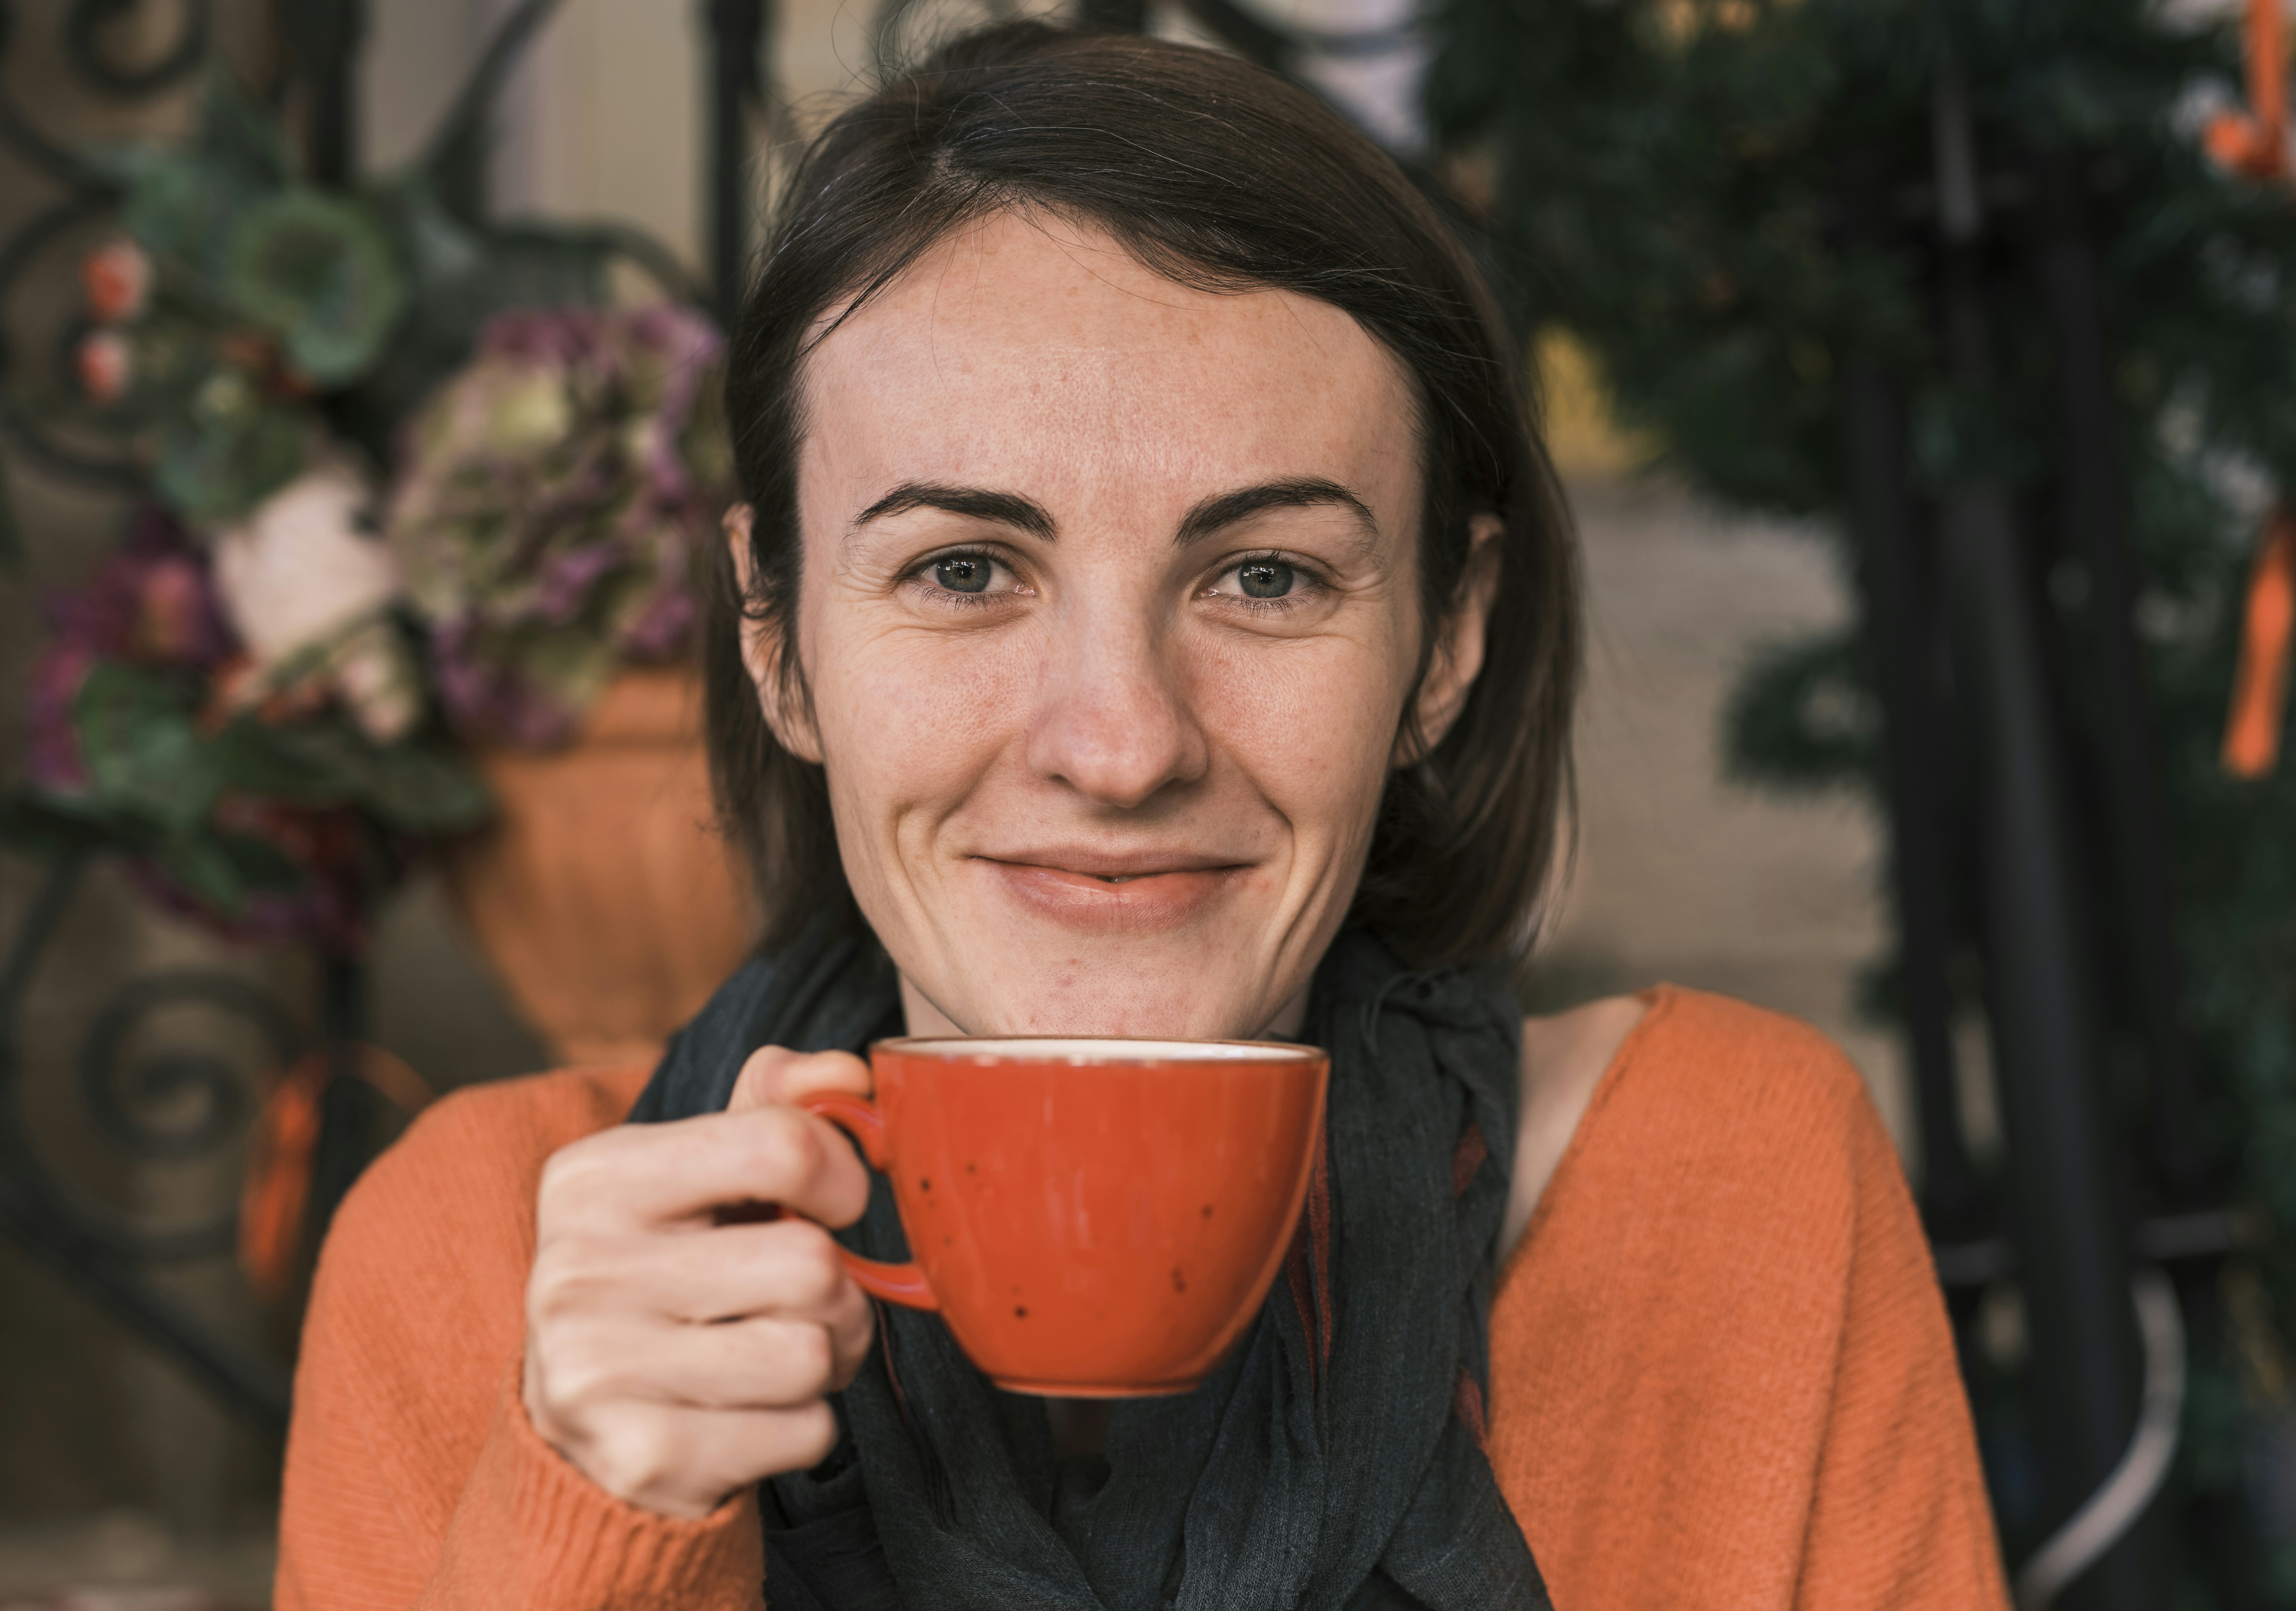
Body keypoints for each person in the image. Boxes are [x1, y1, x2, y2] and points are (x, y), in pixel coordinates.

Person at [274, 23, 2004, 1611]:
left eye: (1265, 574)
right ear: (775, 640)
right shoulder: (484, 1254)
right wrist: (589, 1529)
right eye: (962, 570)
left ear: (1447, 643)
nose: (1119, 745)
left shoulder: (1723, 1182)